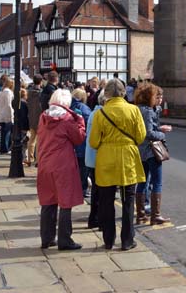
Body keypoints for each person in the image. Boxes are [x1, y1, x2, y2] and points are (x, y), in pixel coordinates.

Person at [90, 78, 146, 251]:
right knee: (128, 200)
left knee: (106, 201)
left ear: (106, 94)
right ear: (123, 92)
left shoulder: (101, 113)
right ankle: (127, 240)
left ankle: (108, 239)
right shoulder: (134, 110)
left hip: (106, 158)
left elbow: (93, 141)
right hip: (128, 157)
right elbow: (141, 136)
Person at [36, 89, 86, 251]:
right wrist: (80, 121)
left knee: (48, 201)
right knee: (65, 202)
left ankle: (47, 238)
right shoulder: (67, 119)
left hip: (45, 163)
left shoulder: (43, 117)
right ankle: (65, 240)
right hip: (63, 165)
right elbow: (79, 138)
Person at [135, 83, 171, 225]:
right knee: (157, 182)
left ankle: (140, 215)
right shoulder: (148, 111)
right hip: (151, 151)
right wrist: (162, 134)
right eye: (156, 96)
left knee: (142, 182)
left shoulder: (138, 109)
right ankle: (155, 216)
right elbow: (149, 133)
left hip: (141, 150)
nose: (158, 99)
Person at [85, 91, 105, 230]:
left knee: (96, 191)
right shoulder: (100, 115)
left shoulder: (94, 113)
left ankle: (93, 218)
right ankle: (96, 218)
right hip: (99, 157)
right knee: (100, 191)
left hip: (92, 157)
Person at [69, 88, 92, 201]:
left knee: (76, 167)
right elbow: (89, 124)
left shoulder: (69, 106)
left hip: (71, 142)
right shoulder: (84, 108)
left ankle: (74, 188)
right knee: (83, 168)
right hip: (82, 142)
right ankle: (82, 190)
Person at [0, 77, 15, 154]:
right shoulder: (8, 92)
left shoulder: (2, 91)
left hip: (2, 114)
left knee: (4, 133)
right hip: (7, 114)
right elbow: (9, 104)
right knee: (7, 133)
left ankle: (4, 148)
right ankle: (5, 149)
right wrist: (11, 114)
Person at [27, 74, 44, 165]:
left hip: (31, 117)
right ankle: (37, 160)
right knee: (39, 141)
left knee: (32, 139)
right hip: (40, 118)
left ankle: (30, 159)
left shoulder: (28, 92)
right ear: (41, 82)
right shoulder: (41, 93)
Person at [17, 88, 30, 164]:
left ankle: (22, 158)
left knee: (20, 141)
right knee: (24, 142)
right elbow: (26, 116)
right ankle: (23, 158)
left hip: (17, 125)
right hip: (24, 125)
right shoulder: (25, 104)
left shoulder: (16, 102)